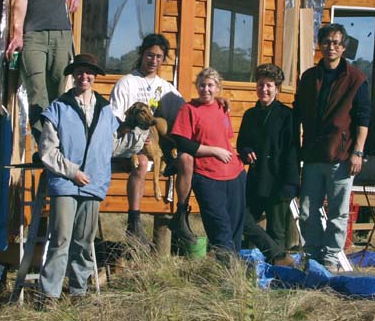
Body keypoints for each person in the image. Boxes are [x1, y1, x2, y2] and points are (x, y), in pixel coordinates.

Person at [37, 53, 119, 299]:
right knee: (60, 240)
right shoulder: (58, 107)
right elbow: (47, 150)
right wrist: (73, 172)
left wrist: (138, 135)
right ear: (73, 75)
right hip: (65, 184)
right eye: (80, 72)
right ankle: (49, 296)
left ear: (95, 76)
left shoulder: (105, 110)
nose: (84, 76)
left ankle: (78, 293)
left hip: (92, 185)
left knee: (84, 242)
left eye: (89, 72)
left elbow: (112, 145)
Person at [294, 23, 370, 270]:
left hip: (341, 156)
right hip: (314, 155)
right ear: (320, 45)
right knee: (307, 211)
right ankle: (313, 255)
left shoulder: (356, 79)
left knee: (338, 213)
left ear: (344, 47)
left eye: (336, 43)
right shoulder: (308, 78)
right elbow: (298, 112)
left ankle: (330, 258)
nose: (331, 47)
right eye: (326, 42)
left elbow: (363, 118)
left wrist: (357, 152)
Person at [110, 34, 196, 245]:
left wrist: (215, 100)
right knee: (140, 163)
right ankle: (134, 221)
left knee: (188, 159)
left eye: (159, 57)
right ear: (142, 54)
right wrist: (135, 135)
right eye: (150, 55)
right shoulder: (127, 83)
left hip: (157, 143)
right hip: (130, 141)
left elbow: (186, 110)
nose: (154, 61)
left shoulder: (165, 87)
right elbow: (115, 119)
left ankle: (181, 215)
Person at [5, 0, 80, 144]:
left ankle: (60, 142)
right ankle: (44, 144)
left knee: (59, 91)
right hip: (34, 36)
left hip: (61, 35)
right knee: (38, 93)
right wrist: (18, 33)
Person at [171, 68, 246, 259]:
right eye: (202, 85)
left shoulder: (222, 107)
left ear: (218, 88)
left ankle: (235, 275)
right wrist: (213, 150)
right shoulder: (188, 109)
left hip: (235, 174)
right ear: (197, 87)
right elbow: (182, 142)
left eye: (210, 85)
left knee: (236, 226)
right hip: (207, 175)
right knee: (219, 227)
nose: (206, 89)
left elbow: (225, 137)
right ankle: (226, 272)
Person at [237, 63, 299, 266]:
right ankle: (248, 266)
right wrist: (246, 152)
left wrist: (290, 184)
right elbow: (242, 143)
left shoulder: (287, 115)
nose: (264, 89)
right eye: (261, 84)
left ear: (277, 88)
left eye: (269, 85)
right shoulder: (250, 115)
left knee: (277, 230)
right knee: (242, 221)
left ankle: (280, 271)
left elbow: (292, 151)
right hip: (256, 179)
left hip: (279, 181)